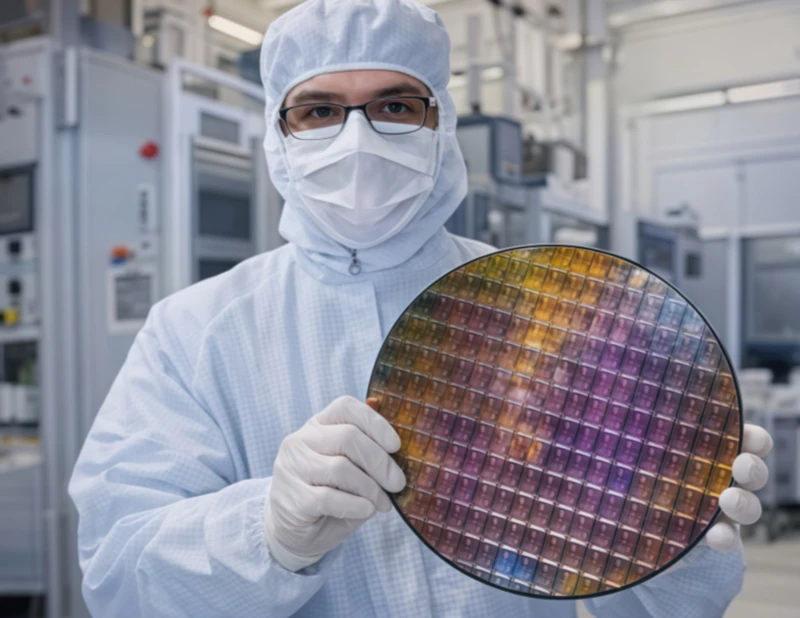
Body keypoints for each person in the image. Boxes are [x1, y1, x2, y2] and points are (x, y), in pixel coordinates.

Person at [68, 1, 772, 616]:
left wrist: (680, 533)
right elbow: (118, 581)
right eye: (318, 110)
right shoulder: (193, 333)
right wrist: (266, 533)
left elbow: (653, 605)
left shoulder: (554, 307)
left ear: (442, 122)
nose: (357, 138)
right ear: (278, 134)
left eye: (395, 106)